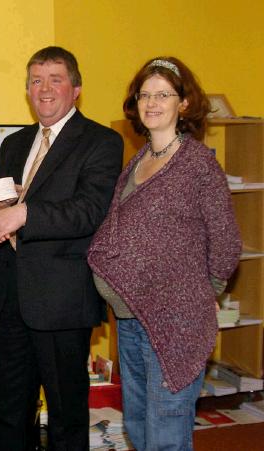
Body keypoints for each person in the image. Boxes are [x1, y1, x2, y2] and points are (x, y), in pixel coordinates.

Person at [0, 46, 123, 450]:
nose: (45, 89)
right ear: (27, 90)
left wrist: (24, 215)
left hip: (62, 301)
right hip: (9, 300)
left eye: (55, 79)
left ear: (76, 89)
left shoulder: (102, 141)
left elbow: (90, 210)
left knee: (66, 414)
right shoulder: (16, 143)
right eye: (36, 80)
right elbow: (1, 199)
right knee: (8, 411)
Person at [87, 57, 241, 450]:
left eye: (163, 94)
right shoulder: (137, 161)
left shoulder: (198, 164)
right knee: (138, 428)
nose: (152, 102)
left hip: (175, 324)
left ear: (183, 103)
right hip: (130, 320)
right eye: (145, 94)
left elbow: (226, 242)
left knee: (167, 436)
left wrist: (196, 296)